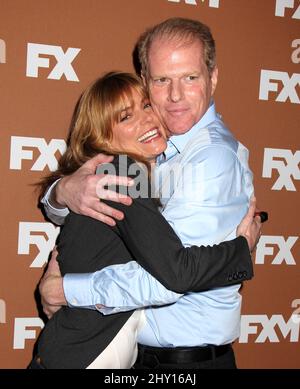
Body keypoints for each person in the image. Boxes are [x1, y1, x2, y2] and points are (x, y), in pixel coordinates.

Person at [40, 18, 262, 369]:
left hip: (185, 362)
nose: (175, 96)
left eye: (190, 78)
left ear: (212, 78)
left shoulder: (210, 158)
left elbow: (170, 278)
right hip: (124, 354)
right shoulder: (142, 157)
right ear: (146, 82)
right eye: (162, 81)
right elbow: (75, 213)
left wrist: (65, 290)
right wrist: (62, 191)